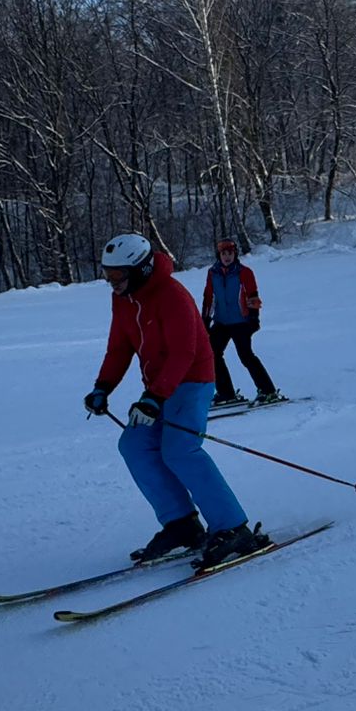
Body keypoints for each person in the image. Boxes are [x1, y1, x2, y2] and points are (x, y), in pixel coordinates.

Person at [83, 233, 266, 569]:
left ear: (140, 269)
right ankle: (182, 524)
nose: (112, 283)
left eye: (117, 275)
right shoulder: (123, 298)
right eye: (108, 275)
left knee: (180, 449)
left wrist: (154, 397)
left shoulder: (171, 295)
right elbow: (120, 346)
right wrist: (102, 387)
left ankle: (233, 527)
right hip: (158, 387)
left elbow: (186, 352)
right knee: (134, 445)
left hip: (192, 380)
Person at [203, 238, 281, 406]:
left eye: (230, 253)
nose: (227, 257)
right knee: (212, 354)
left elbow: (253, 296)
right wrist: (205, 321)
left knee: (246, 356)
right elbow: (209, 298)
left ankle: (268, 391)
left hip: (241, 322)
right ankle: (226, 393)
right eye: (224, 254)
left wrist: (254, 318)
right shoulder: (212, 273)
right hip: (221, 323)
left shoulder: (244, 272)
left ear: (235, 254)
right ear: (219, 255)